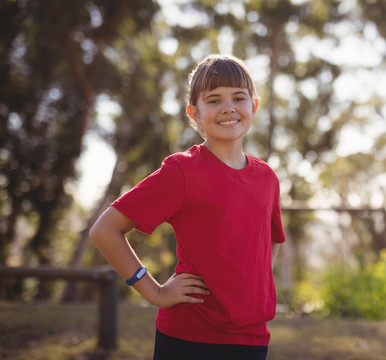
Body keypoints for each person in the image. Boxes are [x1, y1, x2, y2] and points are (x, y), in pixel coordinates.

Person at [89, 54, 286, 360]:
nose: (228, 107)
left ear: (254, 106)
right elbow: (105, 230)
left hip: (252, 339)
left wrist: (247, 289)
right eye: (214, 99)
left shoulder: (267, 178)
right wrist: (154, 291)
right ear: (194, 113)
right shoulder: (181, 171)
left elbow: (271, 241)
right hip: (189, 338)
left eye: (238, 97)